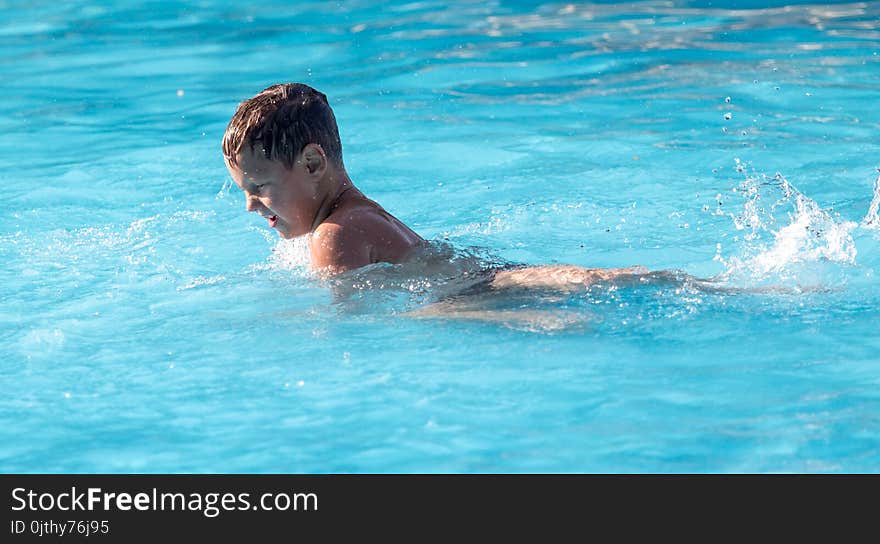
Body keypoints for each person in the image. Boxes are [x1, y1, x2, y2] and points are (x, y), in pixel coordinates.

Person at [222, 83, 650, 294]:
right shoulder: (356, 214)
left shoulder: (334, 237)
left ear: (313, 164)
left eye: (259, 187)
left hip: (481, 299)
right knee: (602, 282)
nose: (250, 206)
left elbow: (351, 328)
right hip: (492, 284)